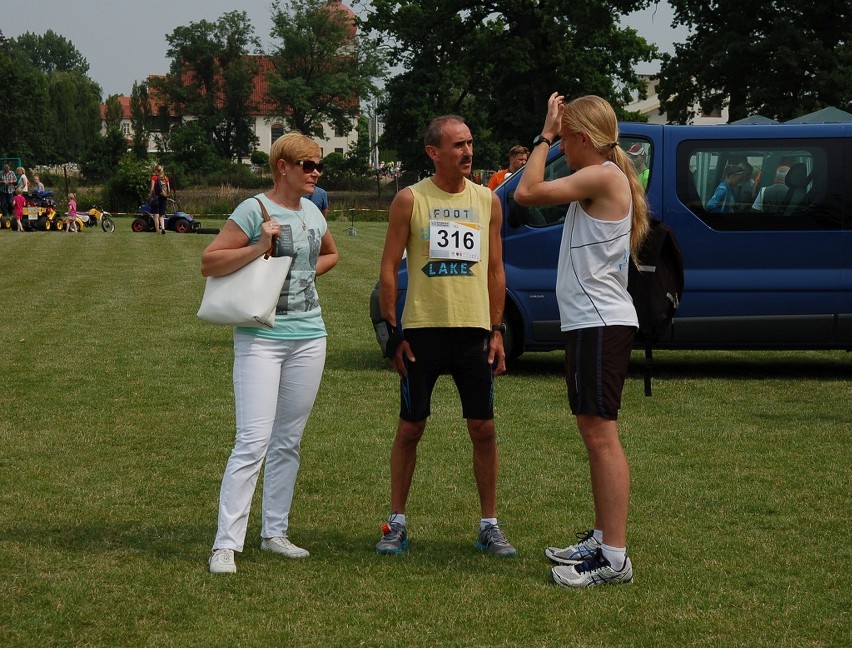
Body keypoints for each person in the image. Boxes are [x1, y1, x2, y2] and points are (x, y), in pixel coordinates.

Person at [515, 93, 650, 588]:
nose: (561, 151)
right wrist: (555, 134)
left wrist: (543, 134)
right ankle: (602, 537)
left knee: (601, 434)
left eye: (566, 142)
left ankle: (614, 557)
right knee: (594, 433)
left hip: (600, 323)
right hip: (590, 323)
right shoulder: (603, 176)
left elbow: (526, 192)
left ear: (583, 139)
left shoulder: (601, 175)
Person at [375, 114, 515, 557]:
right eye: (457, 145)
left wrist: (496, 330)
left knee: (484, 428)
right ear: (433, 153)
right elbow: (387, 269)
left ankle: (489, 525)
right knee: (411, 427)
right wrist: (392, 333)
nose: (468, 151)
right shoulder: (410, 199)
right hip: (423, 333)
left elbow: (495, 270)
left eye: (470, 143)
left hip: (474, 332)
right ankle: (395, 523)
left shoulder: (488, 200)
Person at [203, 132, 339, 575]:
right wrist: (261, 247)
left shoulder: (315, 210)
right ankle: (226, 544)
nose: (315, 173)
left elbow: (331, 254)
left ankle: (274, 532)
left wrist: (299, 275)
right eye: (308, 165)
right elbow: (210, 261)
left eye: (318, 166)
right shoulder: (253, 209)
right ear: (283, 166)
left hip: (309, 337)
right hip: (261, 338)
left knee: (288, 441)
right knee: (252, 441)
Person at [149, 164, 170, 234]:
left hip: (156, 197)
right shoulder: (166, 178)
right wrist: (166, 195)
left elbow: (152, 189)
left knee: (156, 215)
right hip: (164, 197)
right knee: (162, 215)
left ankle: (157, 230)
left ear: (155, 170)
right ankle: (163, 228)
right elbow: (169, 189)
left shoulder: (154, 177)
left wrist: (151, 196)